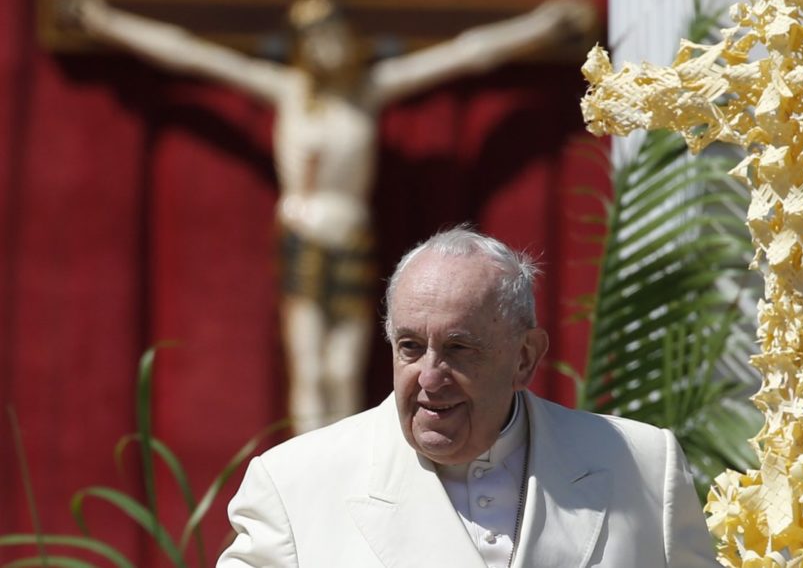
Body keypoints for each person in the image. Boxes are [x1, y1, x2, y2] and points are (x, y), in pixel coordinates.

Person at [62, 0, 593, 434]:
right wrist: (108, 22)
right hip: (303, 234)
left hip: (350, 236)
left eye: (336, 36)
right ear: (302, 49)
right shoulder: (289, 92)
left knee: (344, 369)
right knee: (309, 367)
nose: (329, 48)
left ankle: (343, 473)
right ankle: (310, 480)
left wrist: (538, 27)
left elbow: (465, 53)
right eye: (317, 40)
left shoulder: (368, 91)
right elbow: (191, 56)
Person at [217, 226, 718, 567]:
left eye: (459, 349)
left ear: (525, 357)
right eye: (410, 347)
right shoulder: (294, 485)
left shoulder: (645, 466)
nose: (430, 377)